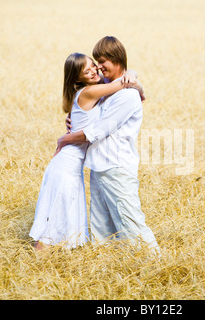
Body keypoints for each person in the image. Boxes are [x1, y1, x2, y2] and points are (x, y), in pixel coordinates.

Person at [56, 36, 161, 255]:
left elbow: (96, 132)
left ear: (117, 59)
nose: (98, 66)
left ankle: (156, 265)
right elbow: (87, 111)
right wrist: (73, 120)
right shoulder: (106, 87)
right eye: (96, 61)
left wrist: (65, 139)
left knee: (131, 223)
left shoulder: (127, 96)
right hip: (99, 168)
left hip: (116, 168)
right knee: (102, 230)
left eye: (102, 61)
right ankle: (112, 271)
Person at [29, 52, 144, 251]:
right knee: (53, 224)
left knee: (57, 221)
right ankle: (33, 268)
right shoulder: (90, 92)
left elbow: (125, 85)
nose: (93, 71)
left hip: (71, 167)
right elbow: (124, 83)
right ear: (77, 78)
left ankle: (40, 267)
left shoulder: (90, 93)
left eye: (93, 65)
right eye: (86, 70)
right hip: (67, 167)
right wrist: (131, 74)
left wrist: (131, 74)